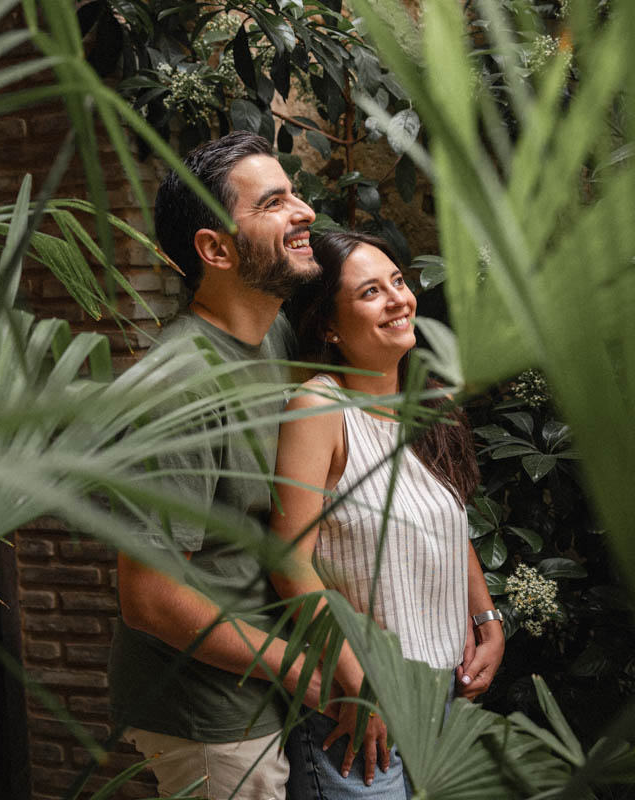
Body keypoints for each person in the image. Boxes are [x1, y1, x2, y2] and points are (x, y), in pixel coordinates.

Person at [108, 131, 322, 800]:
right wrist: (304, 670)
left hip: (269, 689)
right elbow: (149, 598)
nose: (306, 211)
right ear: (216, 249)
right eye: (276, 201)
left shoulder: (276, 335)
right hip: (212, 717)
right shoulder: (178, 386)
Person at [269, 231, 506, 798]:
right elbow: (287, 562)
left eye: (398, 281)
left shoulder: (431, 403)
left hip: (446, 693)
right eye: (370, 292)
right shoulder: (318, 407)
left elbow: (446, 525)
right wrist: (357, 680)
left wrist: (487, 620)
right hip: (358, 701)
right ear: (329, 325)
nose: (399, 298)